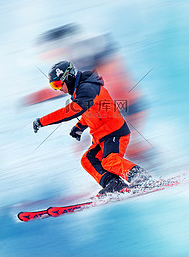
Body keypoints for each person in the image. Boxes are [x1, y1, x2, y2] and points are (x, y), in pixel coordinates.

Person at [33, 61, 151, 195]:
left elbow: (70, 111)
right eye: (53, 86)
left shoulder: (87, 89)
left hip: (114, 133)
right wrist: (79, 127)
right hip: (102, 136)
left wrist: (42, 121)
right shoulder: (80, 90)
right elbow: (93, 111)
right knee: (88, 160)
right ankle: (113, 183)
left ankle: (141, 177)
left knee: (109, 161)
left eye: (58, 84)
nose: (58, 89)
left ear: (69, 77)